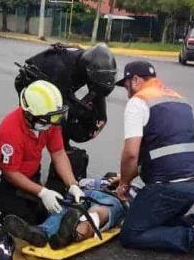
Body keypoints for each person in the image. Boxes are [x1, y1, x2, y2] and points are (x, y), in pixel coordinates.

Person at [112, 61, 194, 260]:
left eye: (126, 85)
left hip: (168, 189)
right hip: (192, 186)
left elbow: (131, 154)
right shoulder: (178, 99)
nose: (127, 92)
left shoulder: (138, 102)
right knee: (152, 220)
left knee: (131, 234)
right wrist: (125, 175)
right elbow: (160, 152)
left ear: (135, 80)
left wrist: (124, 184)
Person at [0, 80, 82, 230]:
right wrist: (42, 192)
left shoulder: (49, 122)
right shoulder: (10, 131)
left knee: (43, 214)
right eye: (49, 119)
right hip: (2, 178)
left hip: (30, 173)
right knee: (23, 217)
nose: (53, 123)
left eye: (55, 118)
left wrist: (72, 184)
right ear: (30, 115)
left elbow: (58, 153)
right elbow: (10, 173)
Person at [14, 43, 118, 189]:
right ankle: (29, 174)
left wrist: (101, 117)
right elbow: (58, 108)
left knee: (67, 126)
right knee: (46, 129)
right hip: (34, 84)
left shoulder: (89, 64)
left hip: (62, 86)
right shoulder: (61, 69)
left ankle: (63, 172)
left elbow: (97, 90)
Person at [5, 182, 126, 249]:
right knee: (62, 209)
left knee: (96, 214)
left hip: (113, 198)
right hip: (84, 192)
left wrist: (123, 185)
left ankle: (72, 233)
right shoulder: (99, 180)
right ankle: (41, 232)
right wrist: (74, 185)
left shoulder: (135, 191)